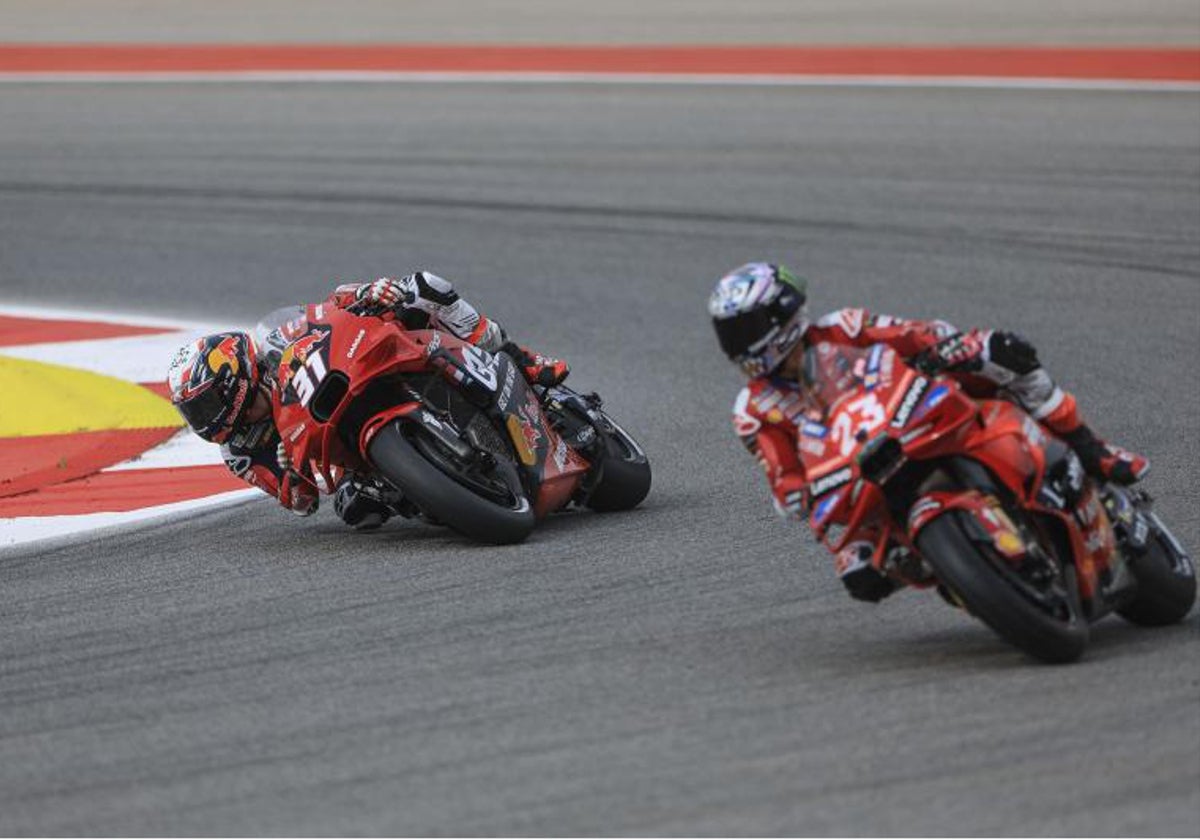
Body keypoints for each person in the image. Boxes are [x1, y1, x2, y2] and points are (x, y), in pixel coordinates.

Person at [708, 261, 1149, 603]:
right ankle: (968, 577)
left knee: (1007, 356)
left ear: (781, 313)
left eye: (744, 329)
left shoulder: (843, 327)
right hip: (858, 476)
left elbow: (917, 335)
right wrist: (796, 495)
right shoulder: (753, 409)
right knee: (860, 574)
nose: (737, 344)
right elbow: (782, 475)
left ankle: (1090, 448)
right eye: (728, 334)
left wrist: (953, 348)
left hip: (917, 414)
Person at [167, 272, 568, 529]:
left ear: (231, 376)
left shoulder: (275, 341)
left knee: (426, 288)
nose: (203, 420)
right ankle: (445, 491)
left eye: (203, 405)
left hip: (363, 366)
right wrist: (293, 475)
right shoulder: (238, 451)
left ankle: (522, 360)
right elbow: (300, 503)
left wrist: (367, 293)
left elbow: (325, 311)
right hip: (343, 457)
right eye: (192, 412)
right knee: (356, 509)